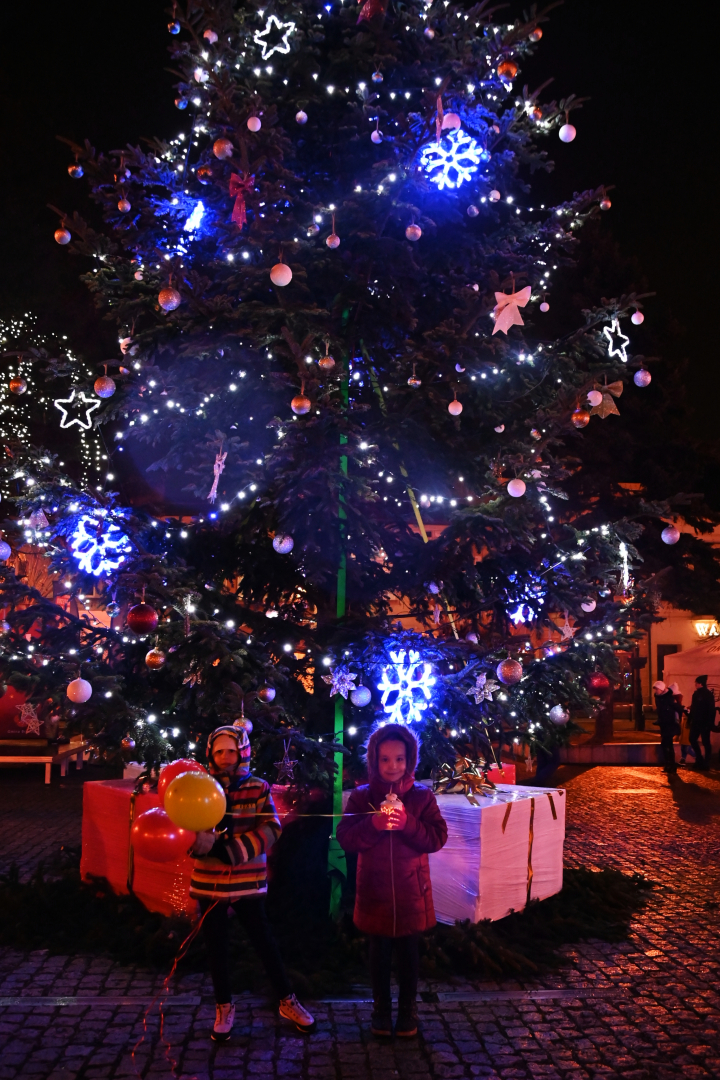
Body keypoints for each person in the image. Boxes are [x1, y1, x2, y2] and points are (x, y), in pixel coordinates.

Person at [189, 722, 315, 1041]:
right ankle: (223, 1004)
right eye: (219, 751)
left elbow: (271, 827)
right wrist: (197, 842)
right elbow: (184, 822)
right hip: (210, 880)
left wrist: (233, 850)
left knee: (263, 940)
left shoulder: (258, 788)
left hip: (247, 879)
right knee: (216, 944)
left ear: (242, 752)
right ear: (210, 754)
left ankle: (286, 999)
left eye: (231, 750)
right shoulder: (199, 787)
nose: (225, 757)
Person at [336, 723, 448, 1039]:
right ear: (374, 760)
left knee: (409, 952)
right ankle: (381, 1008)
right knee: (379, 952)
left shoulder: (422, 797)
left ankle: (408, 1009)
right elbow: (346, 837)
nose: (392, 766)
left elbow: (437, 837)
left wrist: (407, 824)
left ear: (409, 759)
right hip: (375, 889)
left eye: (399, 759)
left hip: (411, 889)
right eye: (385, 759)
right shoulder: (362, 797)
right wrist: (373, 824)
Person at [688, 675, 717, 770]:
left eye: (696, 683)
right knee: (693, 739)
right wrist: (690, 719)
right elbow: (693, 708)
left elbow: (711, 710)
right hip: (697, 721)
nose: (695, 684)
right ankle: (700, 759)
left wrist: (710, 723)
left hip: (704, 722)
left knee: (705, 742)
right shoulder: (697, 694)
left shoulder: (707, 695)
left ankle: (705, 762)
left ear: (700, 683)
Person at [653, 681, 679, 774]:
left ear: (661, 689)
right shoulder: (659, 698)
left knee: (667, 744)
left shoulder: (668, 698)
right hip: (664, 724)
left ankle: (671, 765)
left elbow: (675, 708)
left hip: (669, 724)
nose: (655, 691)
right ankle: (669, 765)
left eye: (657, 689)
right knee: (666, 744)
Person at [668, 683, 692, 766]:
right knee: (683, 746)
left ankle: (698, 758)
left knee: (686, 747)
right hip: (681, 727)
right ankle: (682, 759)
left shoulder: (674, 701)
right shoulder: (676, 701)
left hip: (682, 727)